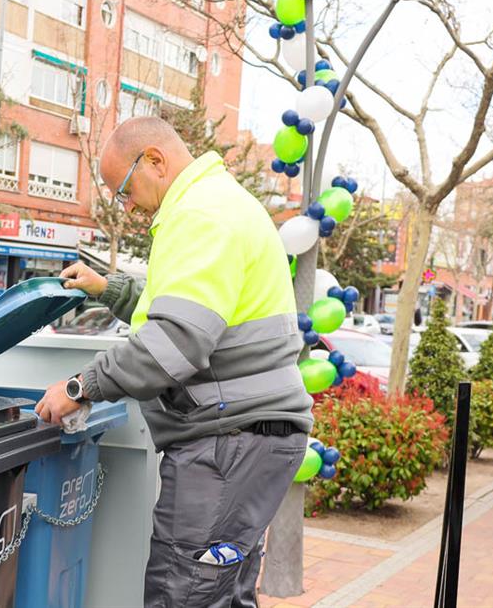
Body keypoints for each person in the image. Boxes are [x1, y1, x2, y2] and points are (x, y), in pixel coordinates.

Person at [35, 117, 313, 607]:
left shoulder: (201, 215)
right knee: (223, 593)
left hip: (228, 443)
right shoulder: (220, 203)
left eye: (124, 190)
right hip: (252, 439)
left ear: (155, 161)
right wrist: (110, 289)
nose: (128, 207)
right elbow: (191, 311)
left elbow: (176, 342)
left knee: (181, 593)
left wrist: (81, 387)